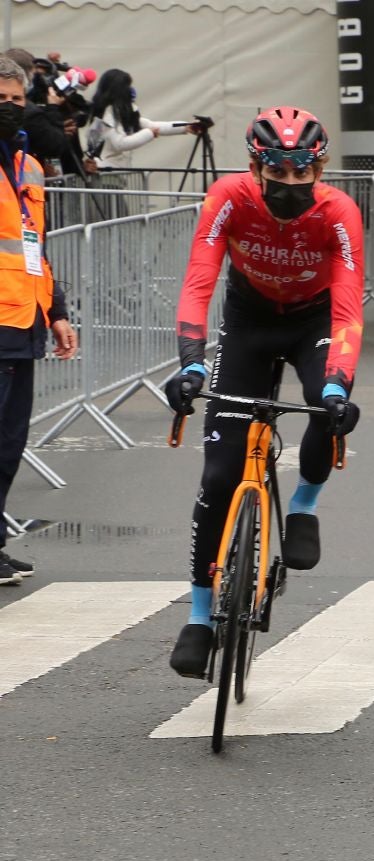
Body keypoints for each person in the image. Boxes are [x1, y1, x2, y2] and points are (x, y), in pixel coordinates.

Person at [165, 107, 363, 677]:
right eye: (279, 173)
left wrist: (338, 382)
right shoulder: (229, 197)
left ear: (318, 168)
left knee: (326, 406)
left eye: (303, 175)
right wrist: (191, 366)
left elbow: (349, 305)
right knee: (220, 475)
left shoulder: (338, 210)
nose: (291, 186)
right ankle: (200, 618)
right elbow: (199, 280)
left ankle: (303, 505)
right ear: (257, 166)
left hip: (314, 320)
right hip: (248, 318)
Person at [0, 57, 78, 585]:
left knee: (8, 442)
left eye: (14, 99)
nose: (9, 107)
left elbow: (33, 243)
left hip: (24, 317)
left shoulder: (27, 162)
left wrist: (58, 312)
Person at [86, 68, 200, 169]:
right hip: (104, 173)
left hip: (115, 174)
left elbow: (155, 126)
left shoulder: (120, 114)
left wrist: (186, 126)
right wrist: (149, 134)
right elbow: (120, 144)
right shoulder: (108, 114)